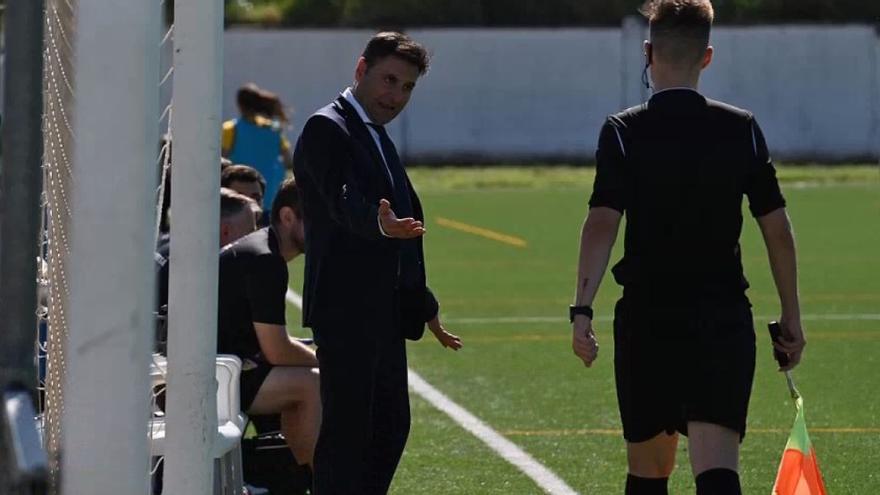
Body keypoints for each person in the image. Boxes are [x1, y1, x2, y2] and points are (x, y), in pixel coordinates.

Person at [569, 2, 806, 494]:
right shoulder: (741, 128)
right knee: (718, 469)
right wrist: (791, 317)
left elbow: (600, 224)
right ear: (708, 56)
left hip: (648, 321)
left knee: (649, 472)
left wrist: (582, 309)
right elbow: (777, 228)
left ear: (648, 52)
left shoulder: (623, 131)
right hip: (720, 319)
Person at [293, 31, 462, 494]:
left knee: (389, 428)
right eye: (389, 80)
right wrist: (379, 224)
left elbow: (403, 227)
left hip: (382, 313)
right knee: (349, 436)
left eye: (407, 87)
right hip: (345, 309)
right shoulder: (327, 127)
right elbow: (341, 199)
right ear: (361, 70)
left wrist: (423, 303)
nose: (396, 96)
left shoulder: (375, 135)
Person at [217, 178, 320, 472]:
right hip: (216, 375)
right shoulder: (265, 260)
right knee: (315, 382)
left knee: (310, 374)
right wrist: (329, 361)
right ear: (288, 217)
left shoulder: (262, 249)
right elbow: (277, 351)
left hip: (227, 366)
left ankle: (308, 476)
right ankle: (321, 479)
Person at [154, 188, 259, 352]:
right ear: (225, 231)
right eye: (251, 232)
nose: (254, 239)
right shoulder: (200, 266)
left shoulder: (178, 249)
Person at [221, 83, 293, 211]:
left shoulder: (231, 129)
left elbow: (221, 162)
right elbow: (288, 161)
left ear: (239, 105)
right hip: (271, 199)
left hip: (239, 201)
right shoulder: (273, 129)